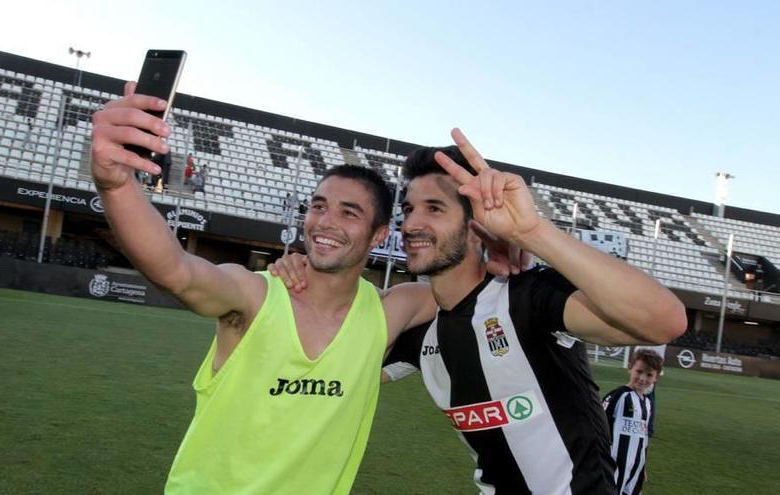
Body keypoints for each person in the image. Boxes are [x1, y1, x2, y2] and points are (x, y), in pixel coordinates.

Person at [271, 128, 686, 494]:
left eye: (434, 209)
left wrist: (532, 232)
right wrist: (296, 278)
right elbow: (316, 371)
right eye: (409, 210)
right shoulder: (420, 329)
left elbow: (664, 321)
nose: (412, 224)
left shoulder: (528, 297)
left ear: (477, 227)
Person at [89, 81, 438, 494]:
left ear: (379, 235)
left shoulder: (389, 312)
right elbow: (176, 271)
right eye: (319, 206)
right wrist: (115, 184)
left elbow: (469, 285)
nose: (325, 222)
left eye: (349, 213)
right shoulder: (255, 294)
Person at [602, 349, 663, 495]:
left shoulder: (648, 404)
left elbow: (643, 439)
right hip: (613, 466)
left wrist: (643, 467)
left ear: (656, 378)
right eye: (639, 371)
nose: (643, 378)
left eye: (649, 375)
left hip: (635, 469)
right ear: (630, 367)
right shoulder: (618, 396)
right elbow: (598, 427)